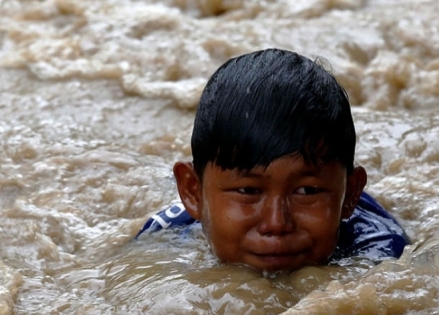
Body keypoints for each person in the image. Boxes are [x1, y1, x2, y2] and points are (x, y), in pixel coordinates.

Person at [137, 48, 408, 273]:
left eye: (306, 191)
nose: (276, 224)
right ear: (193, 193)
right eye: (248, 191)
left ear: (349, 195)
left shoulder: (380, 256)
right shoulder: (164, 236)